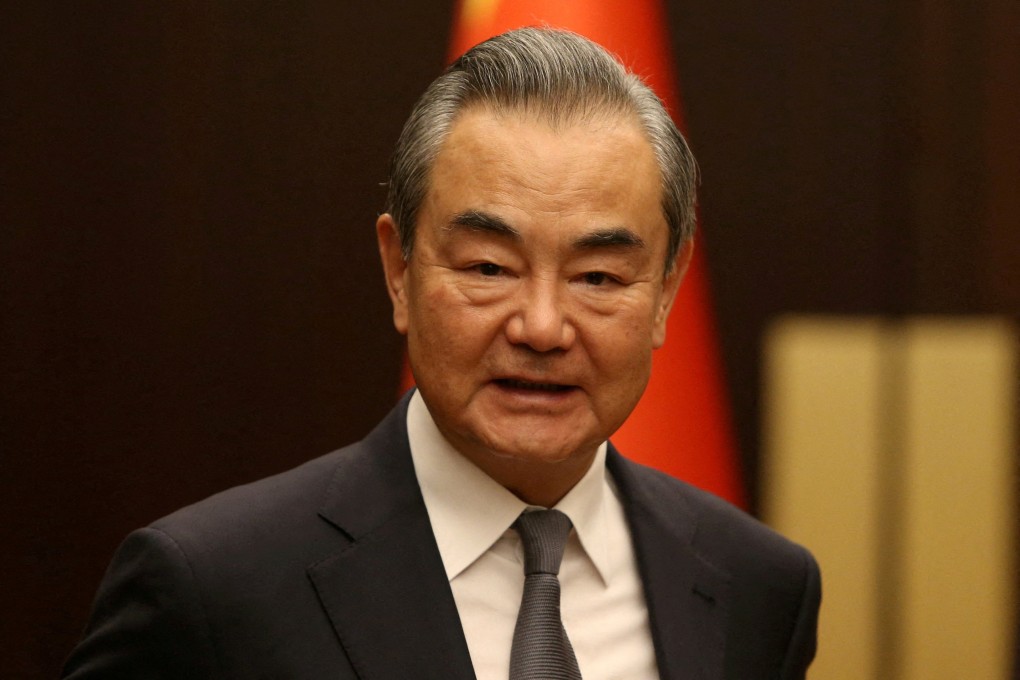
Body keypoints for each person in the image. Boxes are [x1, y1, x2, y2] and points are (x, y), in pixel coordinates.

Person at [62, 27, 820, 679]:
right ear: (399, 270)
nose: (543, 326)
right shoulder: (213, 589)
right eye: (489, 268)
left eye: (598, 276)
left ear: (664, 290)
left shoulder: (757, 588)